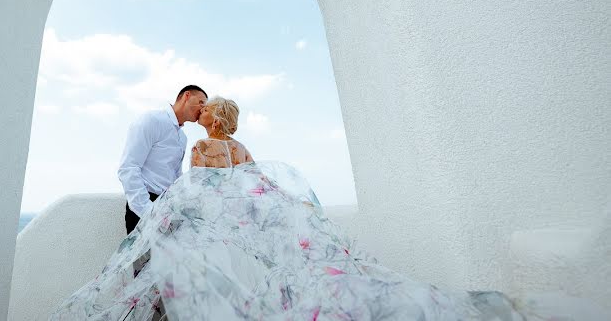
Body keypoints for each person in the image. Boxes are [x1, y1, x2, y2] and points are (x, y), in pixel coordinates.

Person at [54, 97, 595, 320]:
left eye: (206, 108)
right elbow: (250, 186)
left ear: (209, 116)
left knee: (172, 279)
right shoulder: (241, 150)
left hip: (192, 223)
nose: (202, 115)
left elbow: (199, 190)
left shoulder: (199, 148)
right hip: (212, 221)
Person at [118, 85, 207, 235]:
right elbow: (128, 167)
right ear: (186, 95)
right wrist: (148, 211)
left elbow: (176, 177)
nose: (203, 108)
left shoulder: (182, 138)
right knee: (145, 259)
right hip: (145, 208)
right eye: (201, 102)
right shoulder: (152, 120)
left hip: (169, 209)